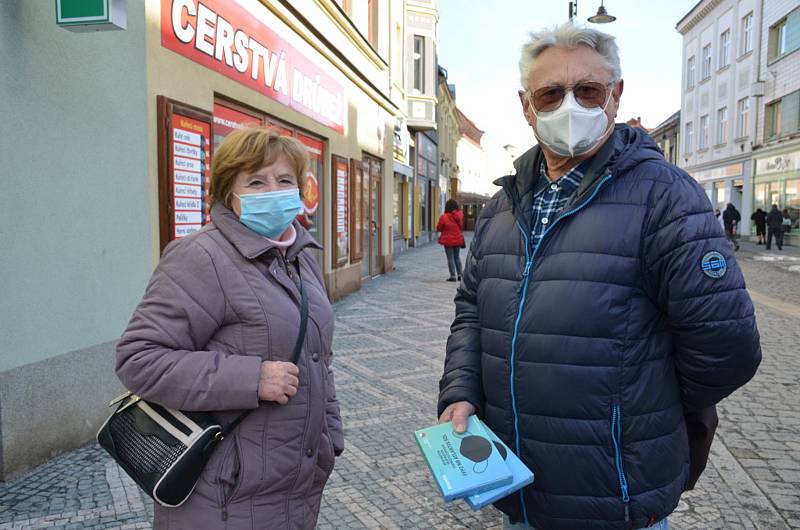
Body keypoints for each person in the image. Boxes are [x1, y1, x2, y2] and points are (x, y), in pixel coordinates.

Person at [437, 23, 761, 530]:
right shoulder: (503, 205)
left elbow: (727, 346)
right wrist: (460, 390)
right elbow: (472, 313)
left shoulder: (666, 197)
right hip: (518, 490)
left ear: (615, 96)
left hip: (615, 496)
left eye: (587, 90)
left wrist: (635, 407)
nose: (571, 105)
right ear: (527, 106)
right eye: (551, 93)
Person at [116, 128, 343, 529]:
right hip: (225, 496)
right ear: (228, 193)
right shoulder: (200, 256)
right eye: (256, 181)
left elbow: (318, 356)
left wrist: (330, 436)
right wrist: (252, 378)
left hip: (296, 488)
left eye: (285, 180)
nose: (273, 189)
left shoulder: (301, 256)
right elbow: (140, 359)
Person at [437, 199, 466, 281]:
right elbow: (461, 226)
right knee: (457, 257)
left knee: (450, 258)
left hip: (448, 240)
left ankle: (453, 276)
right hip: (458, 239)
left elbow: (439, 228)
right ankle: (460, 274)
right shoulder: (460, 215)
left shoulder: (444, 217)